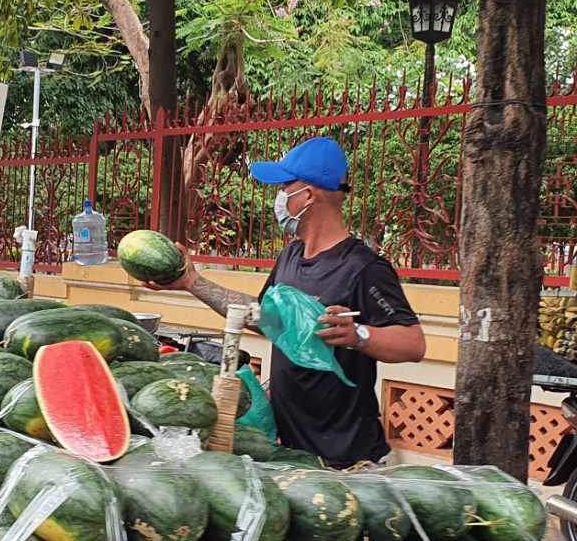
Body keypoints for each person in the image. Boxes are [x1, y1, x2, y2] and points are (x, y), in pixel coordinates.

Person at [143, 137, 426, 467]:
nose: (278, 198)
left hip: (350, 464)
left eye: (284, 187)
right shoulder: (291, 256)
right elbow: (265, 318)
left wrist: (358, 335)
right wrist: (191, 282)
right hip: (294, 454)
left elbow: (413, 344)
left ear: (307, 195)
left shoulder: (363, 268)